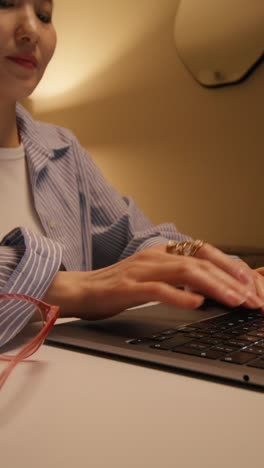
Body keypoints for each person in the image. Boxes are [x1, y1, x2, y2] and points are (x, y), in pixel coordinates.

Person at [0, 0, 264, 349]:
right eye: (5, 3)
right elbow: (96, 283)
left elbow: (132, 239)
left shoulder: (61, 148)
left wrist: (211, 270)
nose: (32, 30)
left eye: (45, 15)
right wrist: (71, 288)